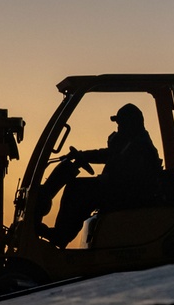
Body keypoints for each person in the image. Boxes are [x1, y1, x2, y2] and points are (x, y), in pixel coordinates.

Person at [44, 103, 163, 248]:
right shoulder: (131, 142)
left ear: (130, 123)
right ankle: (61, 234)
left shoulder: (140, 146)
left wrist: (104, 179)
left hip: (129, 195)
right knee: (79, 187)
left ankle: (61, 236)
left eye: (121, 124)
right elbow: (108, 155)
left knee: (76, 189)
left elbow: (128, 174)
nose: (118, 128)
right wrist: (83, 156)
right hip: (123, 191)